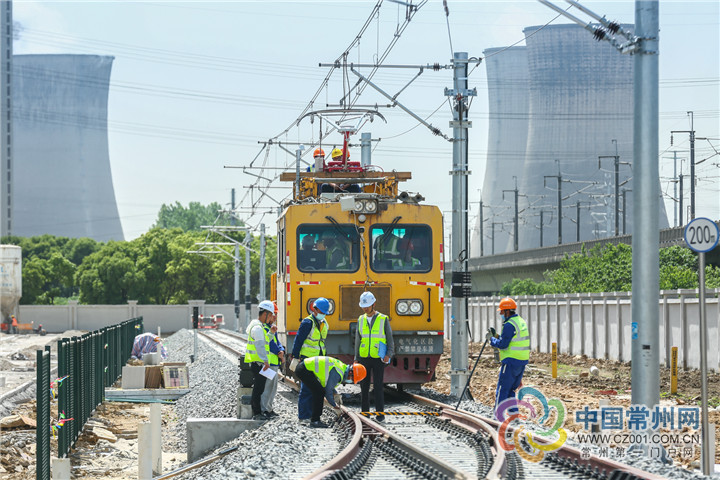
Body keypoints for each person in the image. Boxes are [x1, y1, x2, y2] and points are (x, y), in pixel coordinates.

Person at [487, 297, 530, 420]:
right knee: (511, 389)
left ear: (507, 311)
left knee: (502, 389)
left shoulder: (509, 325)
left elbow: (503, 344)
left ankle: (497, 416)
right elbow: (510, 339)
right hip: (521, 361)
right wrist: (496, 336)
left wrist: (491, 340)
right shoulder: (520, 321)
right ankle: (514, 416)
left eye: (501, 312)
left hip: (510, 361)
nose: (500, 314)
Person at [354, 291, 394, 422]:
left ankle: (380, 414)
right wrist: (356, 358)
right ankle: (365, 413)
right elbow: (358, 340)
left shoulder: (383, 319)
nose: (365, 308)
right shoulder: (360, 319)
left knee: (378, 386)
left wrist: (389, 354)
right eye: (363, 306)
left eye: (368, 305)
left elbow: (389, 338)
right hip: (364, 357)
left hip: (378, 358)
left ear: (374, 304)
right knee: (363, 387)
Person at [289, 297, 330, 424]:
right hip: (307, 360)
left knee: (316, 388)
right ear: (315, 309)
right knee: (307, 388)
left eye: (324, 312)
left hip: (319, 360)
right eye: (321, 311)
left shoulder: (324, 323)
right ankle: (304, 416)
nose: (323, 314)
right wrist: (295, 356)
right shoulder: (308, 322)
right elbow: (299, 340)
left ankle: (312, 415)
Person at [295, 356, 366, 428]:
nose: (351, 380)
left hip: (304, 367)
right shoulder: (338, 373)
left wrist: (335, 394)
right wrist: (334, 405)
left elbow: (329, 385)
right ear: (351, 372)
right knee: (319, 392)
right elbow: (328, 392)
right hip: (304, 369)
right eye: (352, 378)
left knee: (311, 391)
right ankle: (315, 421)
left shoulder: (341, 368)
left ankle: (305, 417)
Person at [244, 300, 277, 421]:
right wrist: (265, 361)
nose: (272, 318)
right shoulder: (257, 328)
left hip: (259, 363)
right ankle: (257, 412)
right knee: (258, 389)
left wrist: (271, 333)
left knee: (261, 387)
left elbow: (265, 342)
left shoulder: (260, 327)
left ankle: (260, 411)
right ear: (266, 314)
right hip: (259, 364)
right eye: (271, 315)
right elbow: (260, 346)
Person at [260, 302, 284, 417]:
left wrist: (281, 350)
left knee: (272, 387)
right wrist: (278, 352)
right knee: (268, 387)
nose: (275, 317)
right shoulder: (264, 328)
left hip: (274, 362)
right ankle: (265, 409)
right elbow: (269, 344)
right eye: (273, 314)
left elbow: (277, 342)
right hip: (269, 363)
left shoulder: (271, 328)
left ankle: (269, 408)